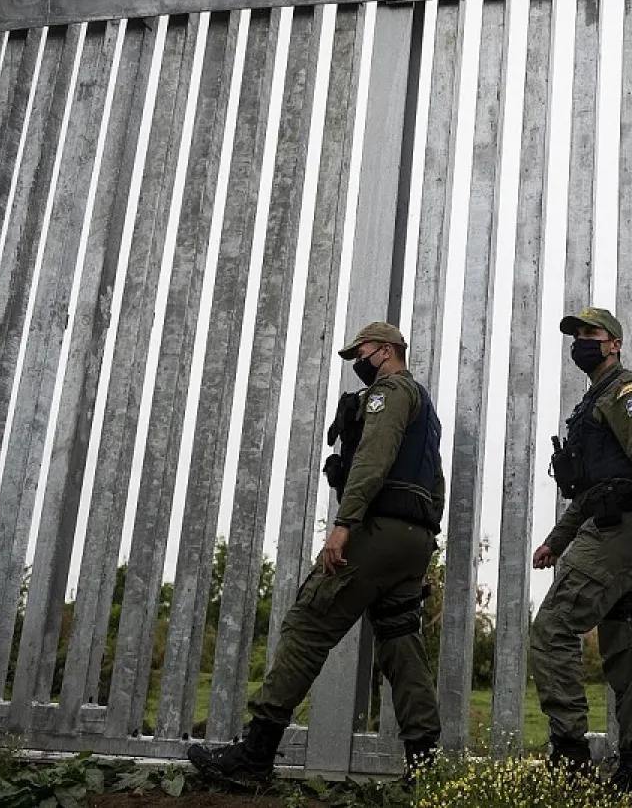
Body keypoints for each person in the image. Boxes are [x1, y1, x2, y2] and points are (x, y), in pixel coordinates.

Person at [188, 322, 445, 781]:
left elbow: (374, 459)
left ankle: (255, 755)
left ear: (386, 352)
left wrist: (343, 528)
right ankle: (424, 769)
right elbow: (435, 482)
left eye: (360, 354)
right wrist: (420, 540)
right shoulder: (425, 405)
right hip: (415, 536)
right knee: (400, 644)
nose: (356, 364)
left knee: (308, 623)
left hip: (378, 531)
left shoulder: (389, 394)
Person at [531, 307, 632, 804]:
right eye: (576, 335)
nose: (581, 341)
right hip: (610, 527)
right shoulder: (593, 401)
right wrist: (557, 540)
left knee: (552, 628)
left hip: (623, 533)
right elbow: (592, 491)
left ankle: (571, 758)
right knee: (624, 648)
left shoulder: (626, 392)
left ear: (613, 343)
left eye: (590, 334)